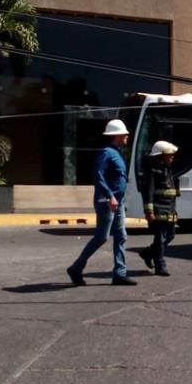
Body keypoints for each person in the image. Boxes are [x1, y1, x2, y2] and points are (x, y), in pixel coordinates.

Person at [67, 119, 135, 286]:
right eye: (125, 134)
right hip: (107, 201)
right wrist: (110, 196)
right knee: (101, 237)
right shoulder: (107, 153)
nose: (127, 136)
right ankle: (76, 268)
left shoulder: (117, 153)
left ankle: (120, 273)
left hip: (116, 202)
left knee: (121, 236)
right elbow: (98, 175)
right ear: (118, 135)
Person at [138, 141, 180, 277]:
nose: (172, 156)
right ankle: (160, 265)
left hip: (170, 210)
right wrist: (149, 211)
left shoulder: (168, 170)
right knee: (160, 238)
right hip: (159, 210)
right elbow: (148, 192)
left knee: (170, 235)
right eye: (170, 154)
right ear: (161, 156)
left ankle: (147, 253)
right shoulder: (153, 171)